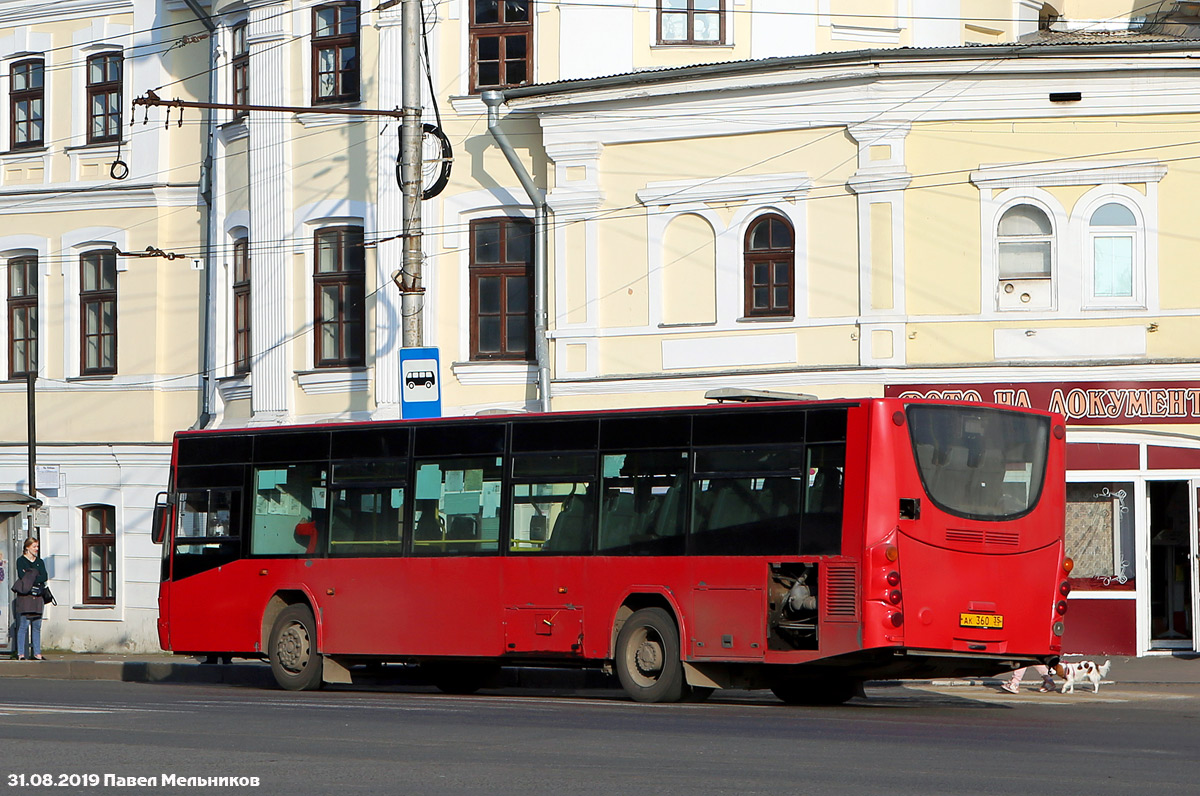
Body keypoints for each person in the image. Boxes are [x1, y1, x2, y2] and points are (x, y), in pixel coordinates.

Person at [14, 537, 49, 661]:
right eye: (34, 546)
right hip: (26, 596)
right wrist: (34, 575)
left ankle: (37, 653)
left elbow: (44, 576)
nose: (36, 549)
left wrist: (31, 575)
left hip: (38, 596)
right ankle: (21, 654)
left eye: (37, 546)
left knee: (37, 625)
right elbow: (22, 576)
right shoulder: (21, 561)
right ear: (27, 547)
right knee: (23, 625)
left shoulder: (39, 561)